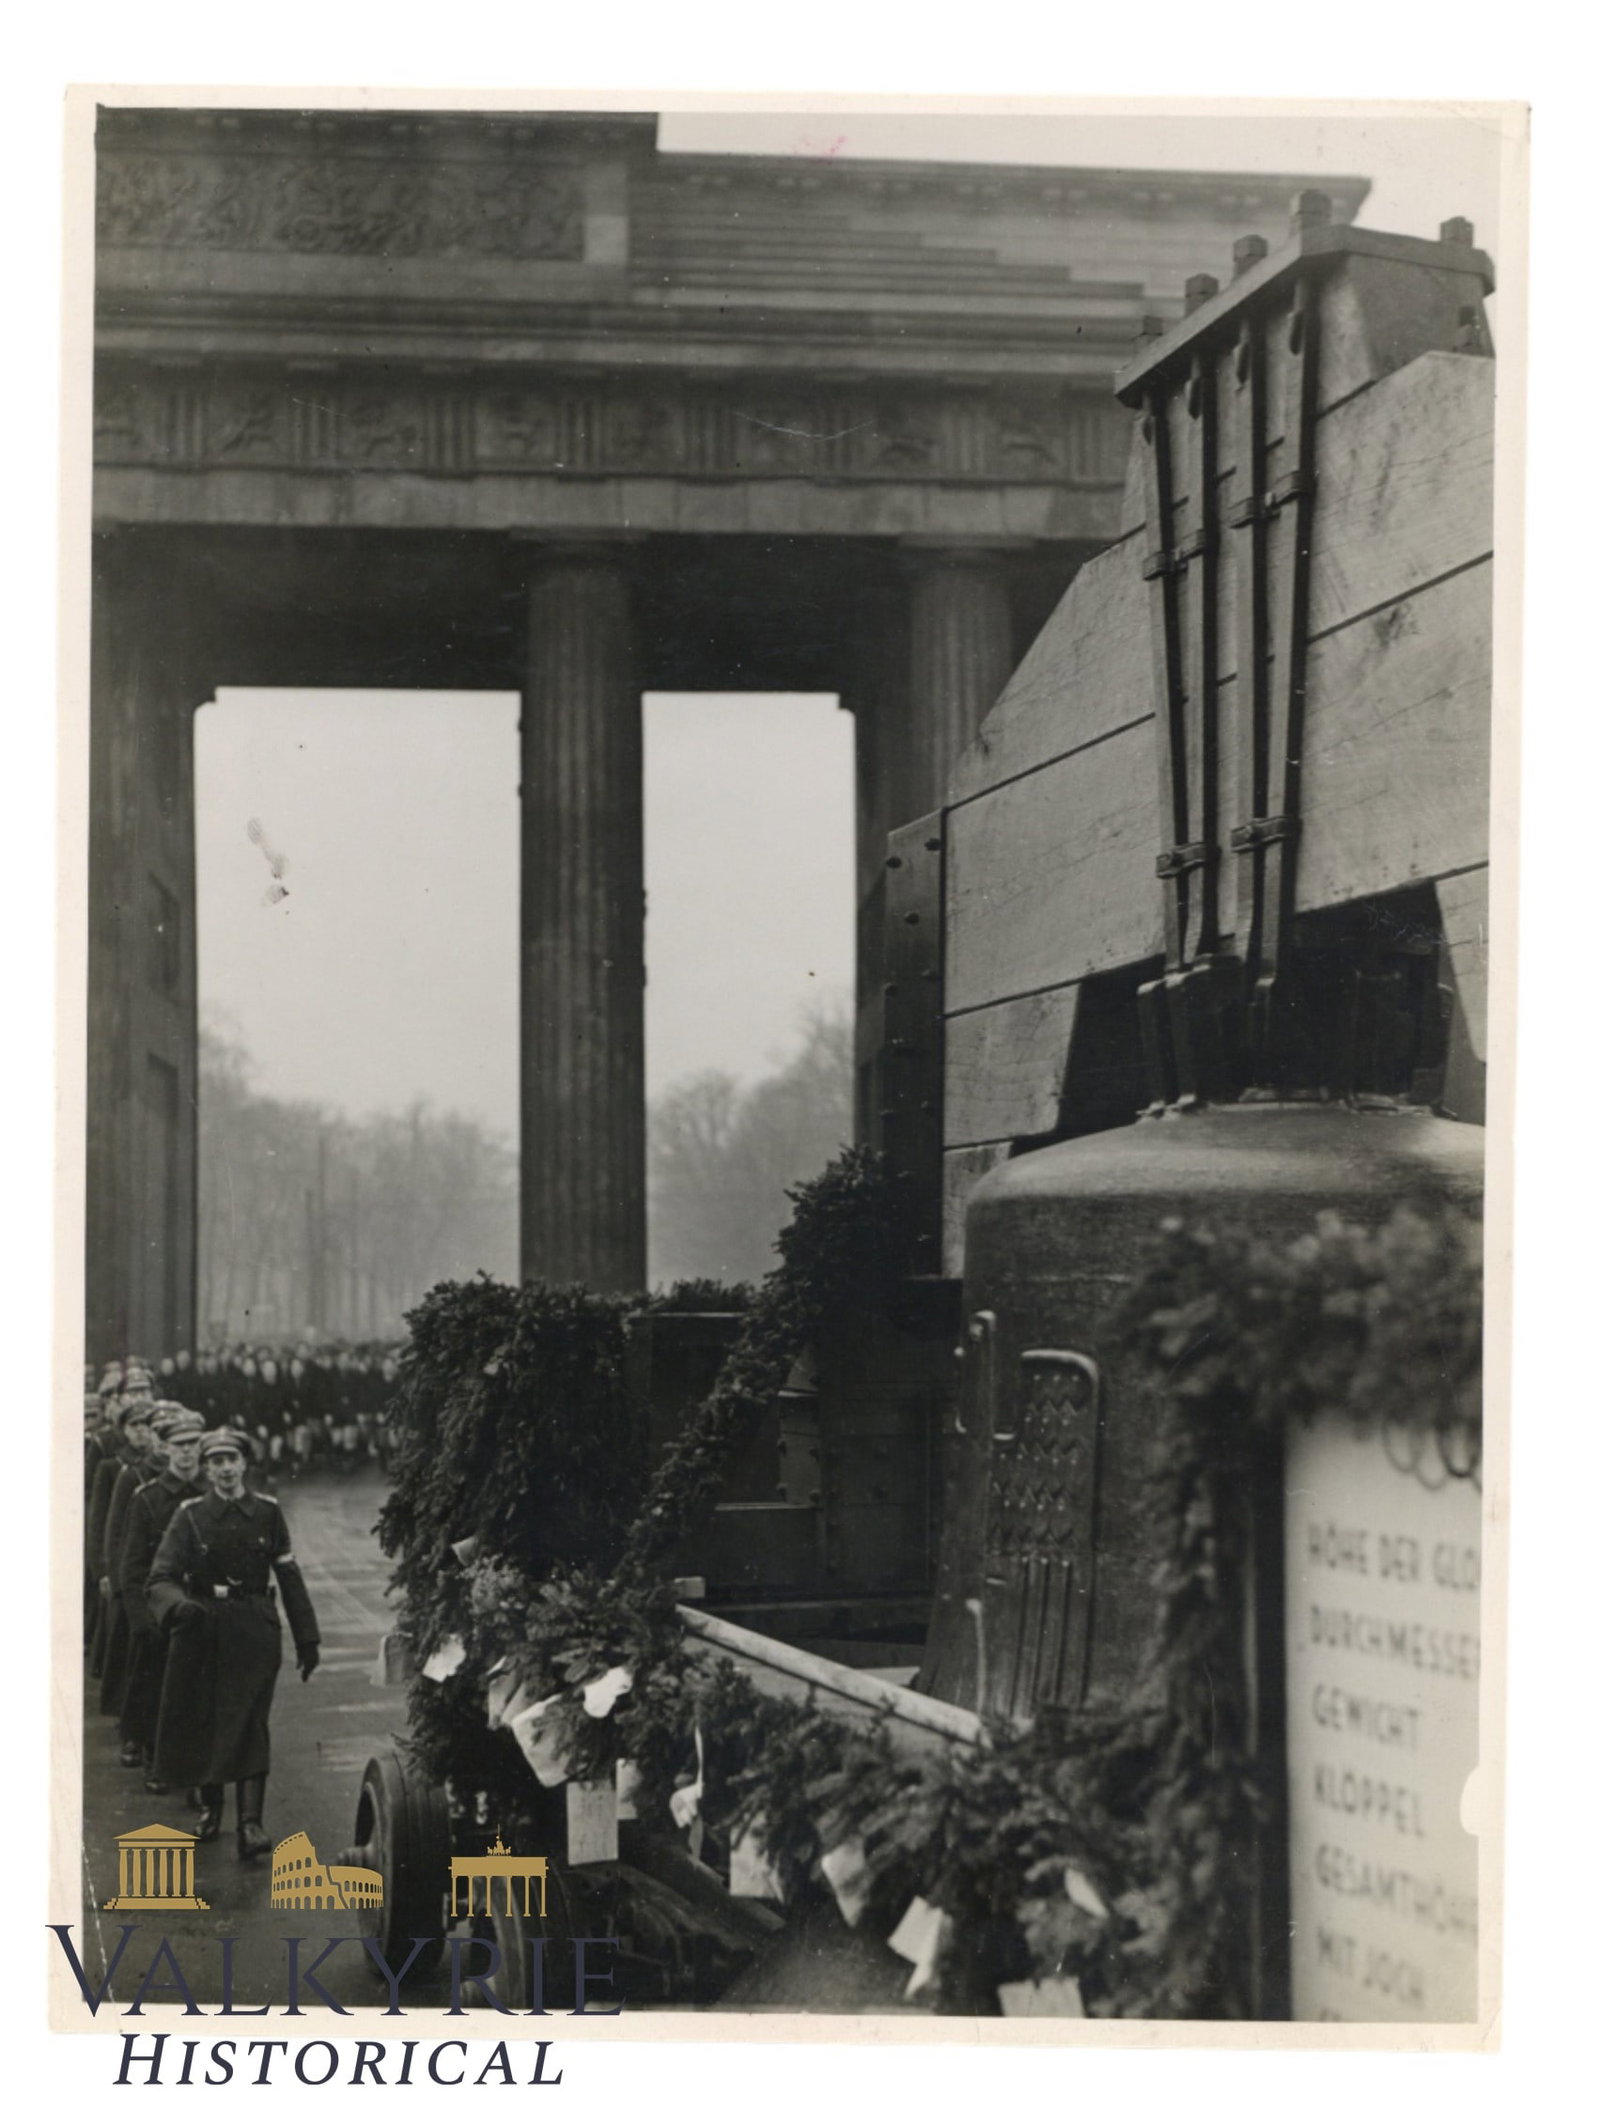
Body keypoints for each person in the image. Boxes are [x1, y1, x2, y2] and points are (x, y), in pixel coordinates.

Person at [147, 1428, 321, 1859]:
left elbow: (289, 1576)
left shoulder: (267, 1513)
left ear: (245, 1463)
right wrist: (178, 1606)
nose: (225, 1469)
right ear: (207, 1469)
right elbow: (161, 1576)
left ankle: (251, 1824)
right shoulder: (190, 1517)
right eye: (216, 1461)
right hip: (204, 1626)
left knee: (250, 1720)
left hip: (255, 1628)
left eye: (232, 1459)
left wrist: (307, 1638)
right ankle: (211, 1809)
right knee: (208, 1718)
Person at [114, 1405, 205, 1792]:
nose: (186, 1452)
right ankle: (156, 1760)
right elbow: (132, 1567)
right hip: (159, 1612)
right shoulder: (147, 1499)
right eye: (178, 1445)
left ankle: (198, 1770)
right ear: (165, 1448)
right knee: (156, 1691)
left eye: (192, 1444)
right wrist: (141, 1620)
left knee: (200, 1693)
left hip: (200, 1608)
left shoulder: (209, 1496)